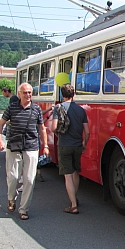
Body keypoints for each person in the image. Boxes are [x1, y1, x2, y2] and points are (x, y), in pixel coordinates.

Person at [0, 83, 49, 220]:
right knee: (13, 177)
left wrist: (46, 145)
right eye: (25, 92)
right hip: (14, 146)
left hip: (31, 146)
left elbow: (42, 128)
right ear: (19, 94)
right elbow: (1, 123)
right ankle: (11, 198)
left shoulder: (36, 109)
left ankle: (23, 209)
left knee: (30, 180)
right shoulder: (12, 107)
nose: (27, 95)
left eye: (30, 93)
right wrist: (0, 141)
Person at [51, 84, 89, 214]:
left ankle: (73, 205)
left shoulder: (58, 108)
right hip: (77, 145)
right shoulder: (81, 110)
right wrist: (84, 143)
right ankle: (75, 198)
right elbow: (87, 131)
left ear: (62, 95)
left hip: (64, 145)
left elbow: (53, 127)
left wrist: (57, 133)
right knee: (75, 173)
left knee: (67, 176)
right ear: (74, 94)